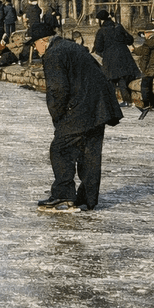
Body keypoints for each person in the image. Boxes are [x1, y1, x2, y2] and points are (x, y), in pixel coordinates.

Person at [32, 31, 123, 212]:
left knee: (60, 148)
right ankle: (88, 198)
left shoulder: (54, 53)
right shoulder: (71, 47)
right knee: (90, 153)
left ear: (44, 40)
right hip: (99, 107)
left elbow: (58, 89)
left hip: (81, 107)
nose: (35, 49)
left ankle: (63, 194)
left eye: (35, 44)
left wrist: (58, 116)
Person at [91, 10, 140, 107]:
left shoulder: (102, 31)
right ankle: (127, 101)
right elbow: (130, 40)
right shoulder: (118, 26)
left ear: (101, 20)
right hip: (124, 57)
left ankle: (110, 101)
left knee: (110, 80)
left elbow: (99, 47)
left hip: (110, 58)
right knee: (122, 80)